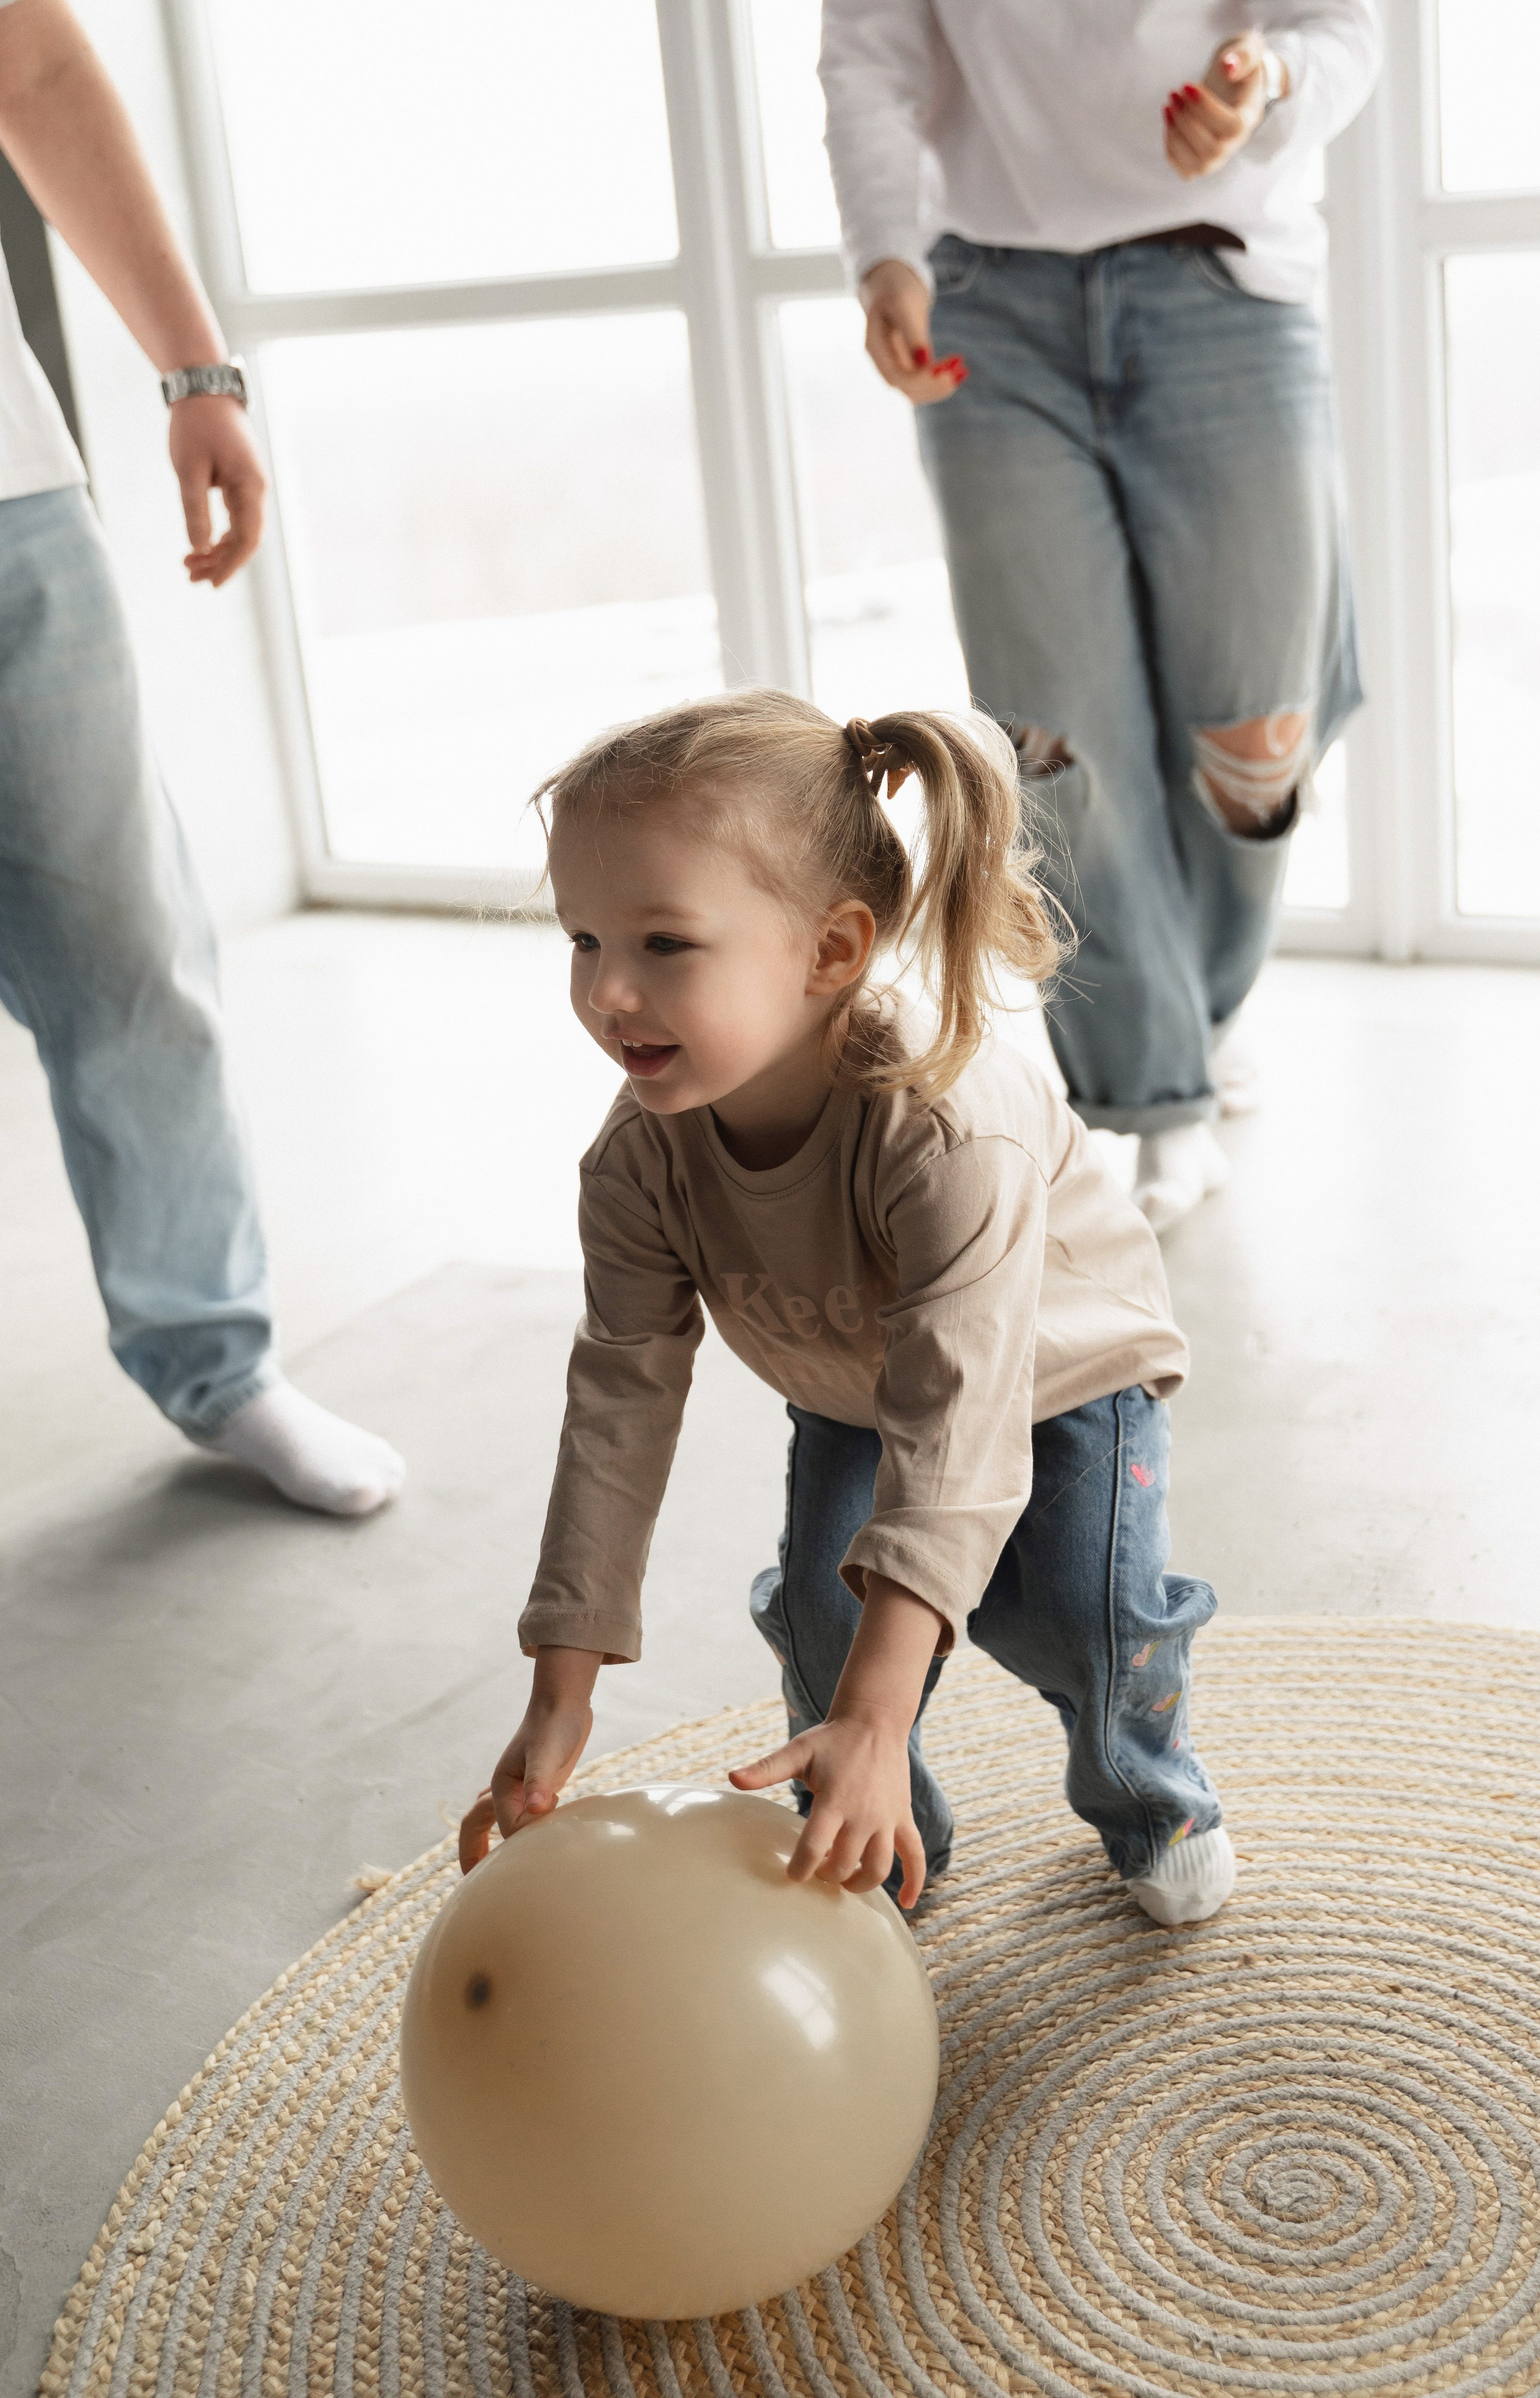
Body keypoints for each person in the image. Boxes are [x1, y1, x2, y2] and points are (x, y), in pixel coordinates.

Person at [462, 692, 1234, 1927]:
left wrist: (883, 1703)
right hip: (852, 1386)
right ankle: (874, 1841)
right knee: (831, 1633)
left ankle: (1154, 1802)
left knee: (1083, 1628)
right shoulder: (636, 1163)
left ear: (828, 951)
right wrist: (562, 1690)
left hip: (1055, 1368)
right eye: (583, 940)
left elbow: (959, 1417)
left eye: (663, 944)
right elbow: (620, 1398)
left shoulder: (944, 1126)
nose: (608, 992)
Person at [820, 1, 1381, 1231]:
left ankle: (1196, 1012)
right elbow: (869, 56)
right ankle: (1154, 1093)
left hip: (1224, 290)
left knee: (1258, 727)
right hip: (989, 313)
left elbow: (1339, 27)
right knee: (1053, 739)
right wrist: (885, 258)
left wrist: (1264, 87)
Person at [0, 0, 403, 1514]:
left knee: (127, 948)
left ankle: (216, 1363)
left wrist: (194, 372)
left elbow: (30, 64)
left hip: (8, 494)